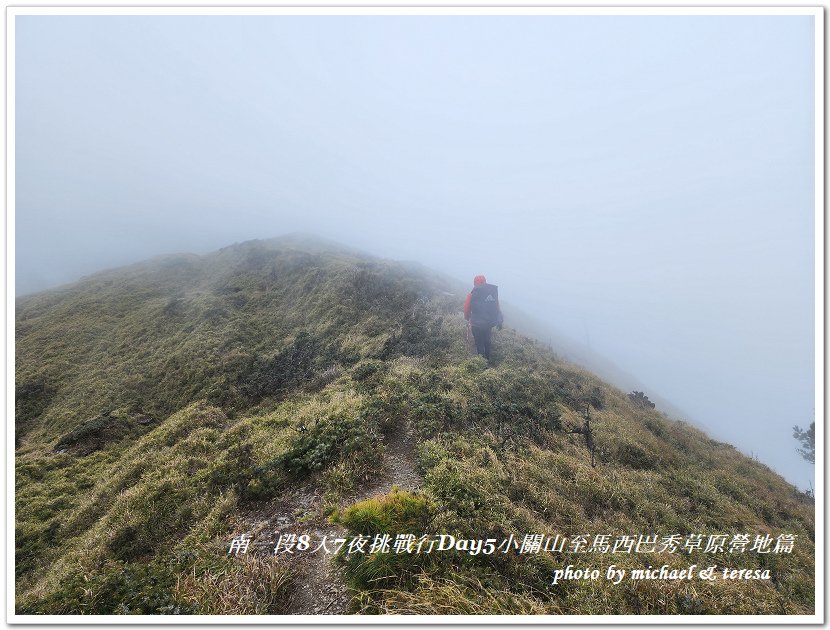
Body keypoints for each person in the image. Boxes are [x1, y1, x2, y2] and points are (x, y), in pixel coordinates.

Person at [463, 275, 503, 362]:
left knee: (479, 344)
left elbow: (466, 308)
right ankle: (487, 361)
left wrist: (467, 318)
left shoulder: (472, 294)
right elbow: (497, 308)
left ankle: (482, 365)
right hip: (489, 324)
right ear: (485, 282)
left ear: (475, 283)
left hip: (476, 325)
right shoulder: (491, 294)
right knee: (487, 342)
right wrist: (499, 320)